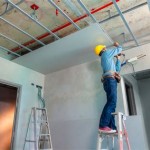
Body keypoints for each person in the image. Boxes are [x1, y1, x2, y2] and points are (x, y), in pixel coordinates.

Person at [94, 42, 123, 133]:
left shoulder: (106, 58)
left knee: (112, 104)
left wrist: (118, 59)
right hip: (110, 81)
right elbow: (119, 49)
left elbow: (117, 70)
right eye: (104, 48)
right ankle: (103, 125)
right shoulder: (105, 54)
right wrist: (117, 45)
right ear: (103, 49)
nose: (106, 48)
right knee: (112, 103)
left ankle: (112, 127)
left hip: (109, 81)